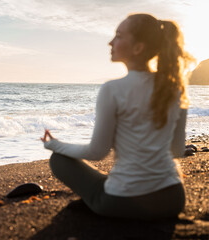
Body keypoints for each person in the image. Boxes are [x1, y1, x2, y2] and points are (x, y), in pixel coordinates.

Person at [41, 13, 195, 220]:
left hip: (124, 201)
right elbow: (176, 150)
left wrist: (54, 145)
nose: (110, 42)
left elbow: (97, 152)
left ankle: (97, 201)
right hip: (173, 199)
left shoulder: (112, 89)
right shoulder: (174, 88)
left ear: (138, 47)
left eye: (119, 36)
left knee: (59, 160)